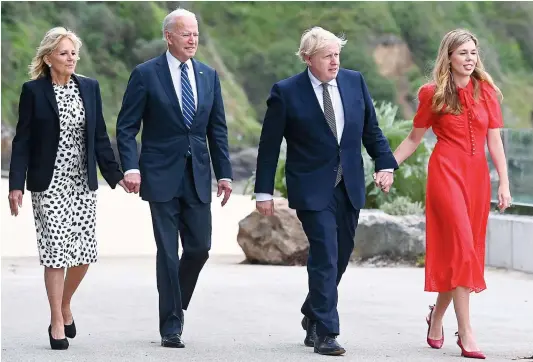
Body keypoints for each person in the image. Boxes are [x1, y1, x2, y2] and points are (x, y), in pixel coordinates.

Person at [253, 26, 398, 356]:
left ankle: (313, 314)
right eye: (327, 55)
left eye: (337, 54)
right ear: (308, 58)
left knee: (341, 255)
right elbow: (269, 145)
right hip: (311, 187)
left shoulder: (353, 81)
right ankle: (327, 332)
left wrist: (384, 164)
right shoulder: (286, 92)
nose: (335, 61)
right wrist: (263, 191)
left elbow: (371, 130)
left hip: (349, 186)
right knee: (325, 254)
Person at [115, 8, 233, 348]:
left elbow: (217, 130)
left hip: (197, 174)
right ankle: (171, 325)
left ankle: (174, 305)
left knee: (200, 248)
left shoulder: (209, 76)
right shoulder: (145, 74)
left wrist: (224, 173)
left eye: (195, 33)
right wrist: (131, 167)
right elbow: (126, 127)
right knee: (167, 251)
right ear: (169, 37)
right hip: (159, 173)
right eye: (186, 33)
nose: (193, 39)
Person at [391, 29, 512, 360]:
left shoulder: (486, 91)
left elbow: (495, 142)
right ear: (449, 57)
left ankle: (437, 317)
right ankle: (467, 332)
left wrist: (503, 182)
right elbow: (414, 138)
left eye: (473, 52)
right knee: (461, 247)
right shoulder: (432, 93)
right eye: (463, 53)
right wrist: (388, 166)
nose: (470, 58)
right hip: (445, 175)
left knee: (465, 252)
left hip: (477, 180)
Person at [8, 27, 128, 350]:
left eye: (74, 52)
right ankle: (56, 320)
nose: (71, 57)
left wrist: (116, 176)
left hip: (82, 182)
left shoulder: (89, 88)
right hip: (48, 184)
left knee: (84, 254)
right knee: (56, 253)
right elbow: (23, 141)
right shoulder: (33, 92)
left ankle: (65, 303)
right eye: (64, 53)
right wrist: (15, 185)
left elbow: (100, 137)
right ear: (49, 58)